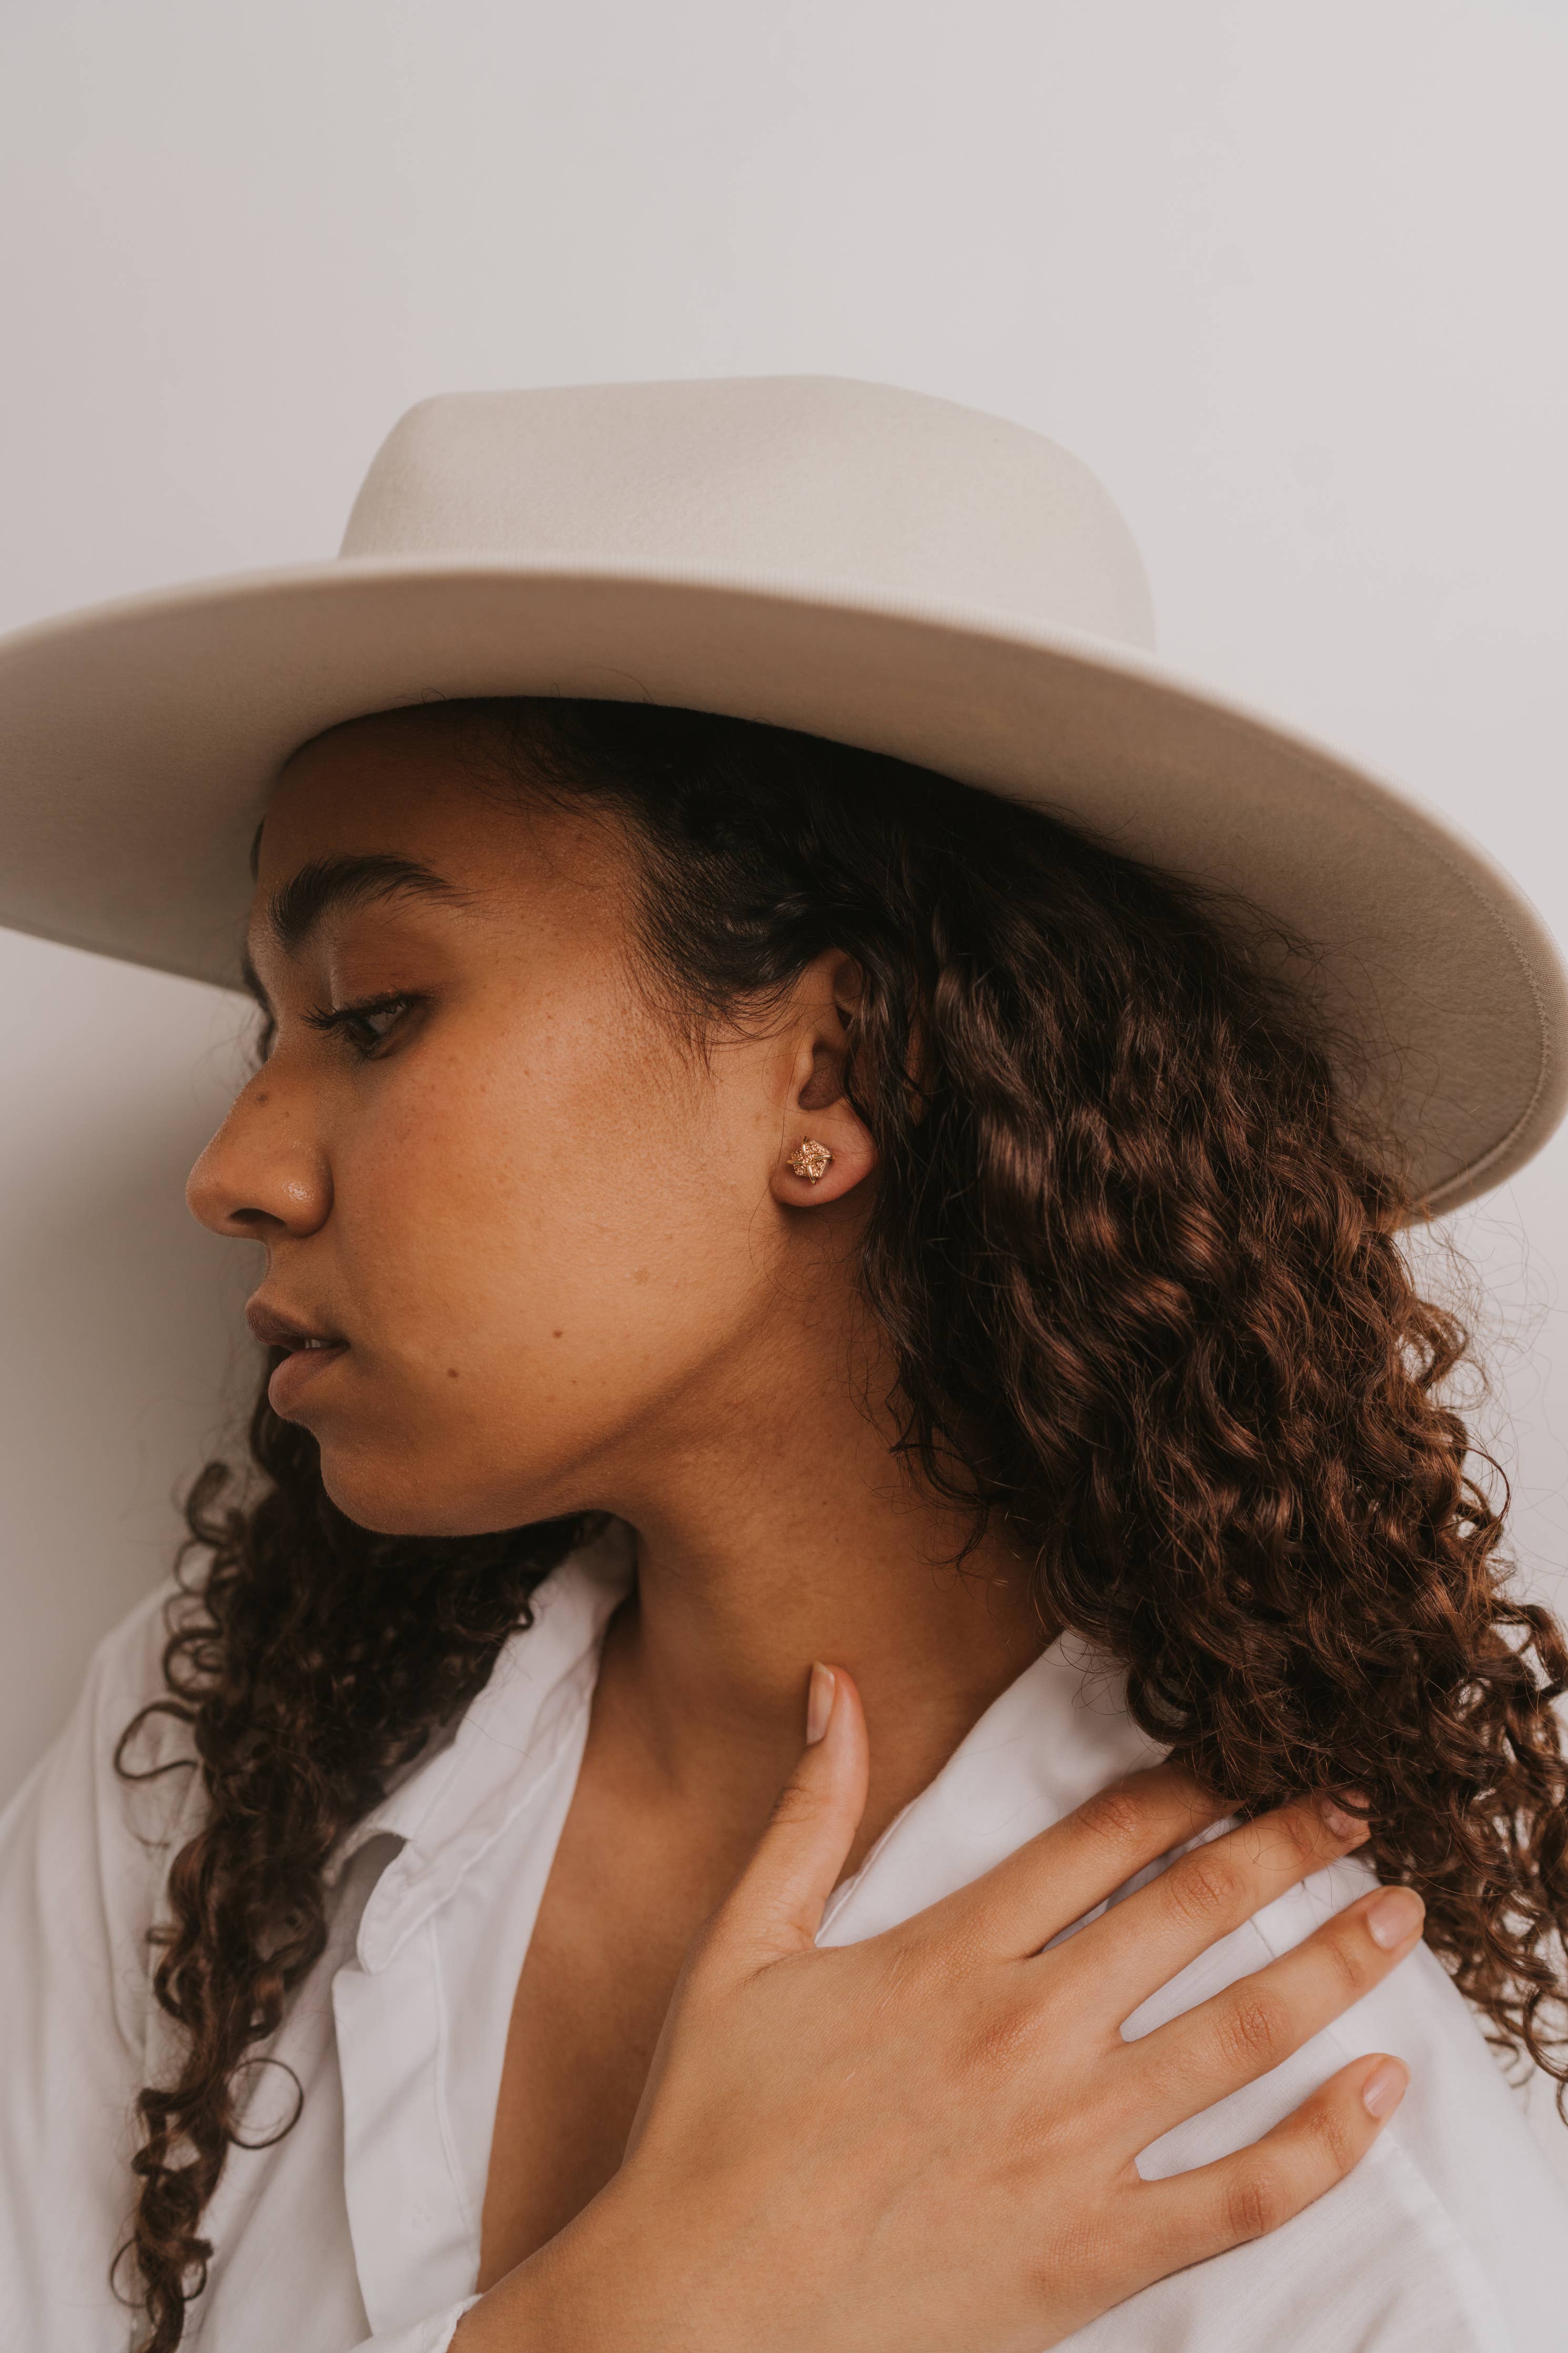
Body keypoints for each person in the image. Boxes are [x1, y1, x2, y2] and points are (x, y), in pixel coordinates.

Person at [0, 379, 1565, 2353]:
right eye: (271, 1032)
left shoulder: (1318, 2185)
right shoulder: (211, 1773)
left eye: (374, 1011)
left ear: (831, 1073)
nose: (235, 1171)